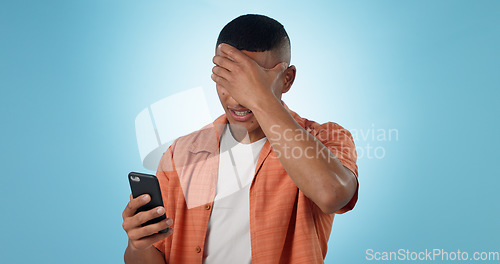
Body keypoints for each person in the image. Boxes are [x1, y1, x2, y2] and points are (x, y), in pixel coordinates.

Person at [122, 14, 359, 264]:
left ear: (287, 79)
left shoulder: (326, 138)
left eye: (251, 82)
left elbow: (332, 194)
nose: (236, 100)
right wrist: (138, 246)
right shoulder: (181, 153)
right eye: (228, 78)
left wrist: (259, 96)